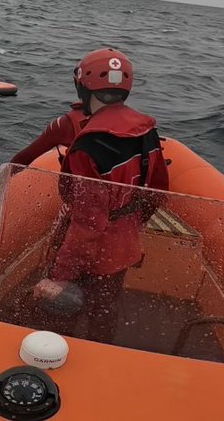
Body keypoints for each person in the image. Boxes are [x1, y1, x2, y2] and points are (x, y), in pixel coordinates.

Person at [30, 48, 168, 342]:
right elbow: (157, 191)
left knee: (59, 311)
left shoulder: (88, 147)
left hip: (89, 252)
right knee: (104, 311)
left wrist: (59, 276)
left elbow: (87, 224)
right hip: (123, 244)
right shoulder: (147, 132)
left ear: (83, 86)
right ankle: (100, 362)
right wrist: (129, 224)